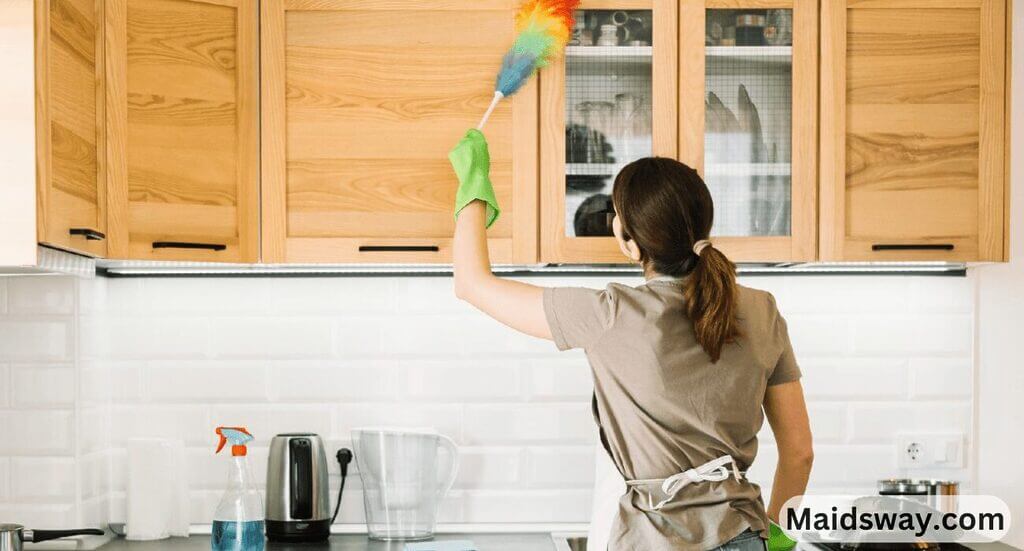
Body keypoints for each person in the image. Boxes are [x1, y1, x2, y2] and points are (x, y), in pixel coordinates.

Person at [450, 130, 813, 551]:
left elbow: (471, 283)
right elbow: (800, 451)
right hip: (744, 535)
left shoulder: (609, 314)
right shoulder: (763, 309)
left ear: (627, 239)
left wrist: (474, 182)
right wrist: (779, 538)